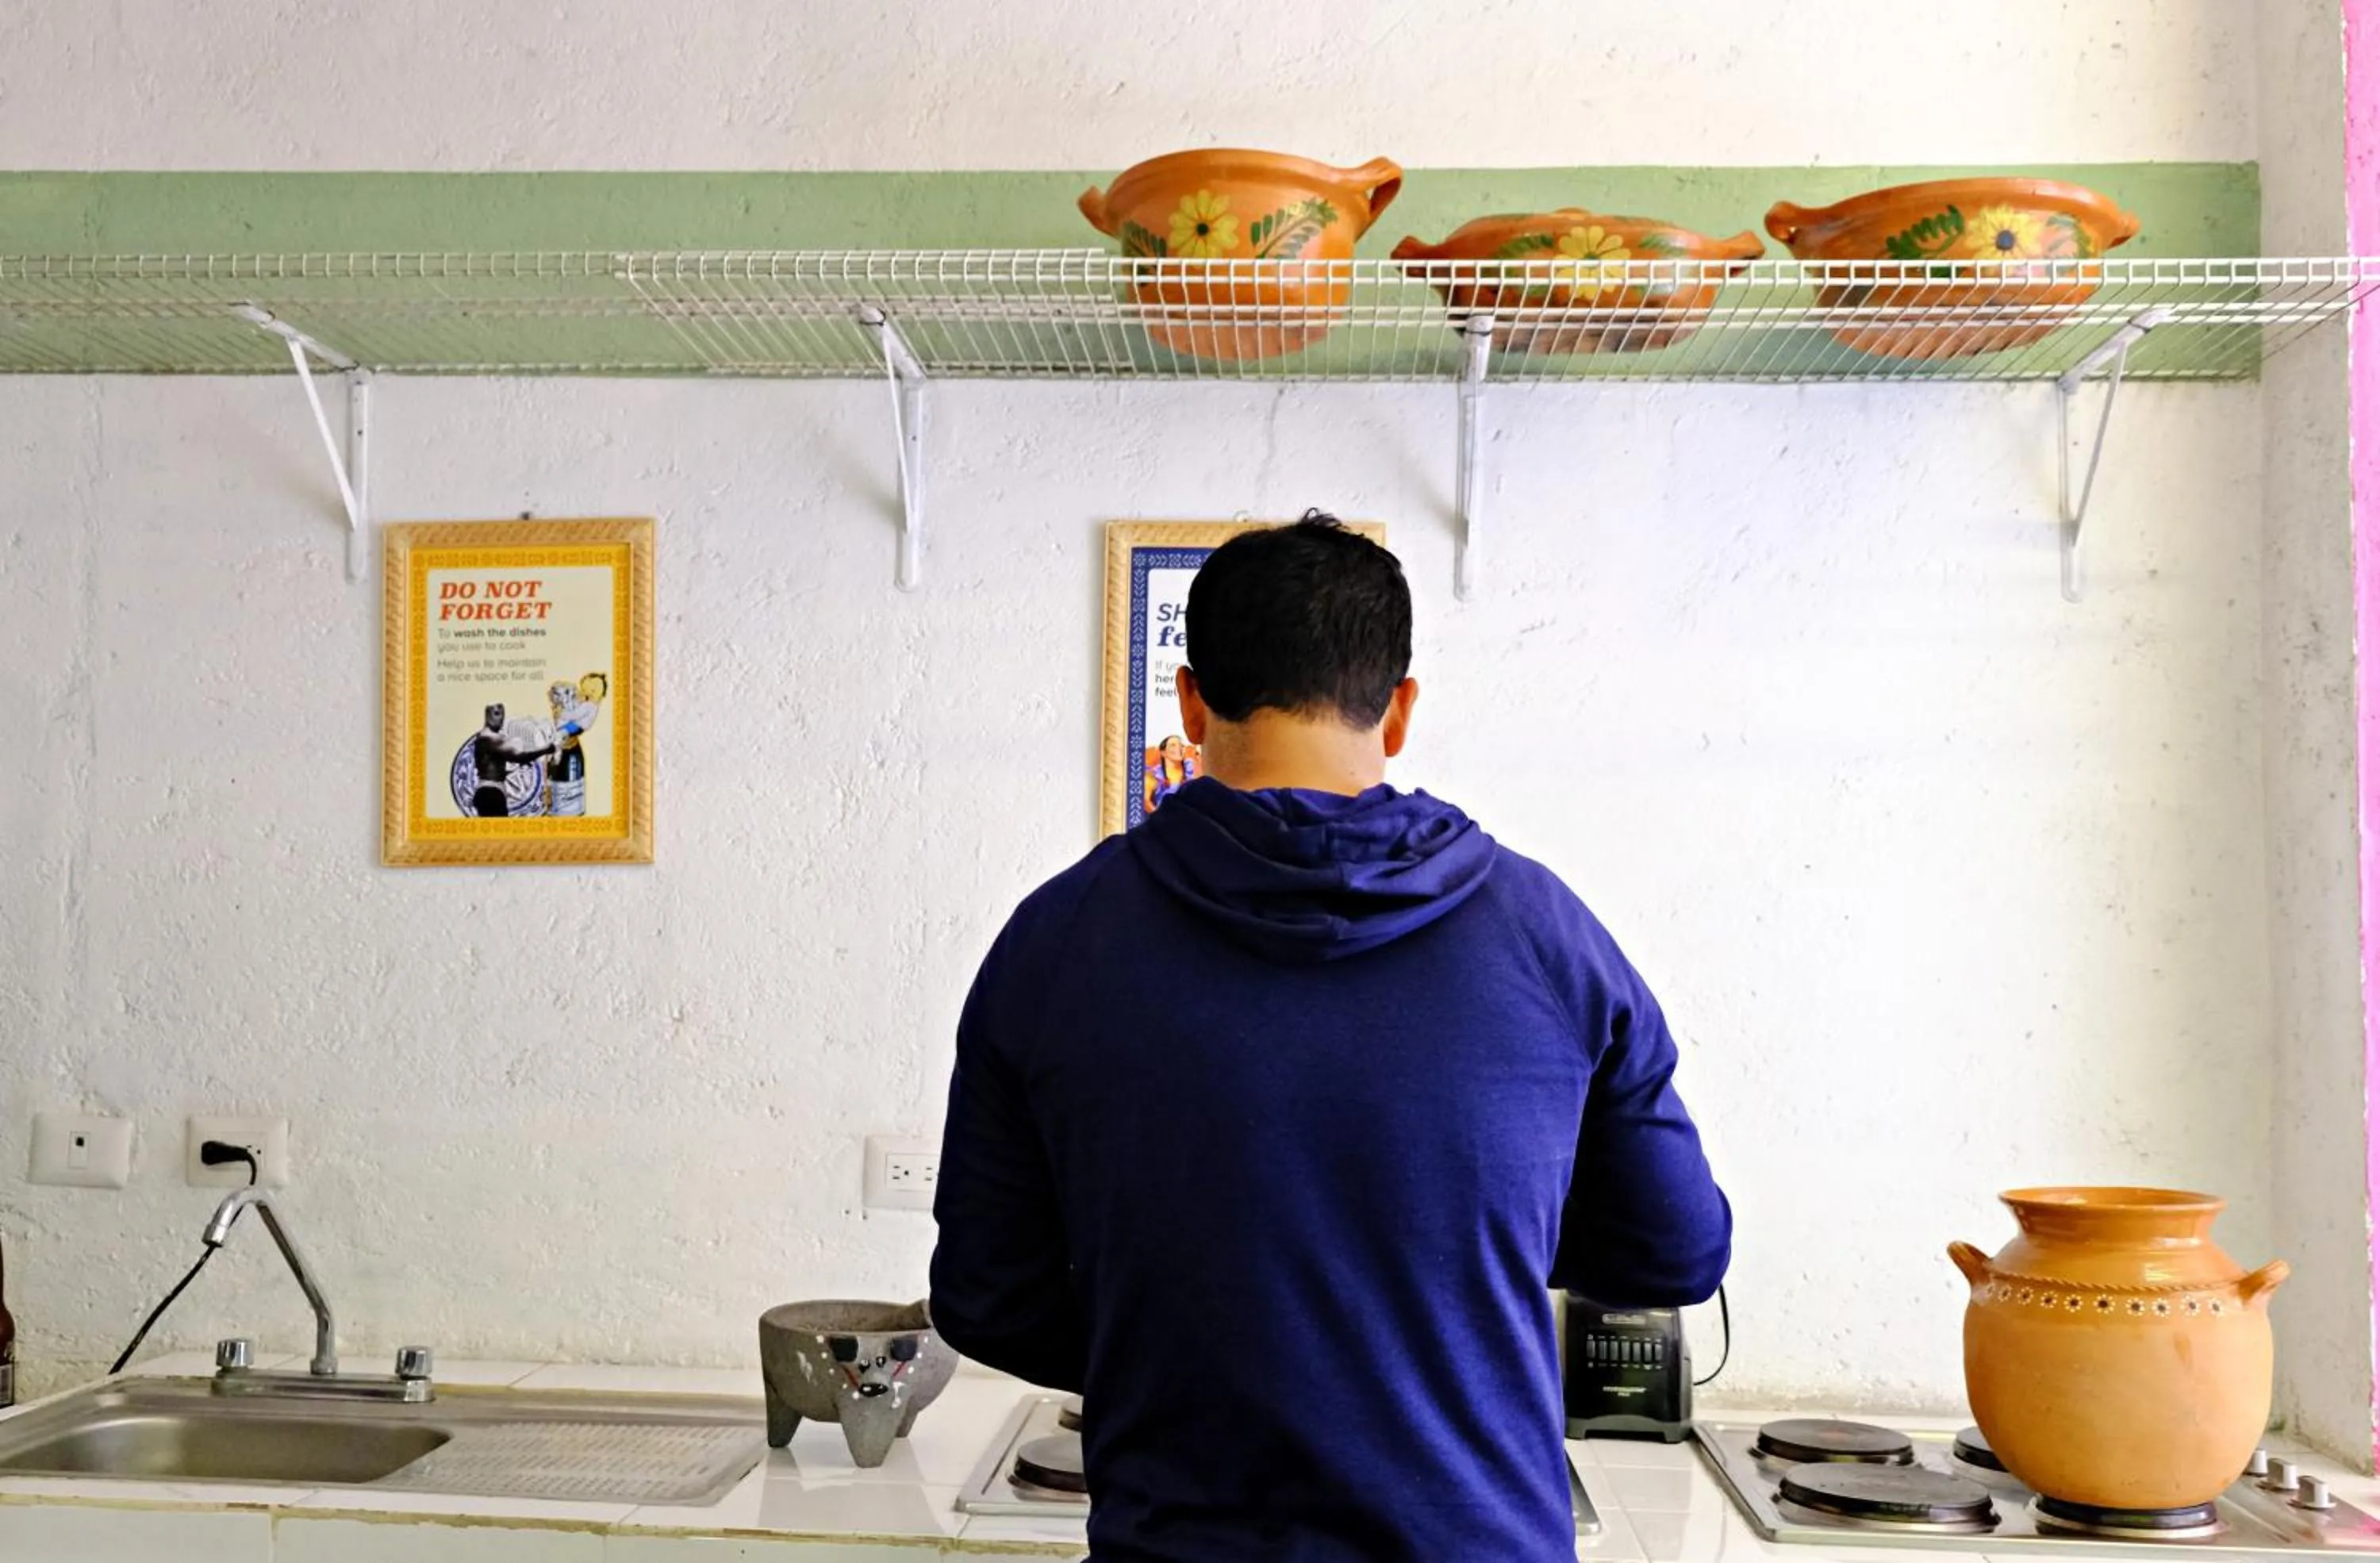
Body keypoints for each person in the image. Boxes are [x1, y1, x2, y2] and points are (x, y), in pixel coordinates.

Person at [931, 513, 1730, 1563]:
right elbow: (1675, 1249)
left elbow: (988, 1298)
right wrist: (1458, 1270)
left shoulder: (1058, 941)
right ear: (1399, 710)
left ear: (1190, 702)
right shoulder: (1548, 939)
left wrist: (1198, 1345)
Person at [1142, 734, 1199, 814]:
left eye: (1182, 746)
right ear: (1163, 753)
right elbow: (1145, 801)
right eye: (1173, 745)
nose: (1179, 748)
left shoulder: (1191, 767)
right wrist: (1161, 816)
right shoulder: (1154, 774)